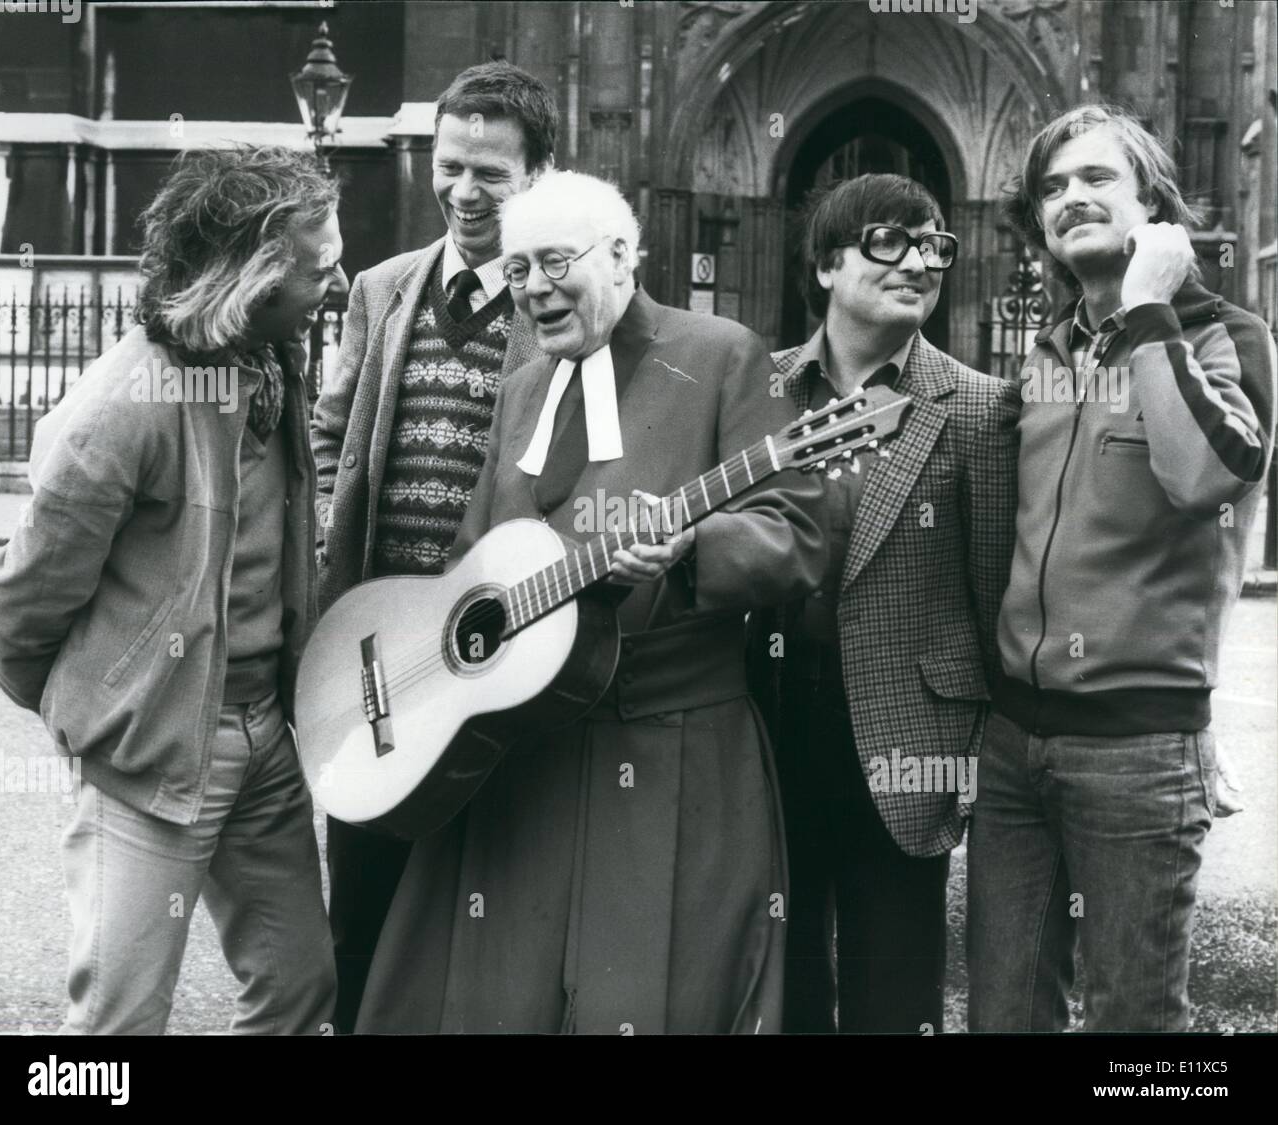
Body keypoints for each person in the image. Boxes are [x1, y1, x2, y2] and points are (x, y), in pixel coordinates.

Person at [354, 170, 829, 1034]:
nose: (533, 286)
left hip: (674, 750)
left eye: (553, 262)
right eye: (518, 268)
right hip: (523, 752)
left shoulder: (722, 355)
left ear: (620, 256)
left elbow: (795, 532)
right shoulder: (523, 387)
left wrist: (696, 548)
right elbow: (470, 559)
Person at [0, 146, 345, 1034]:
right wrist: (110, 717)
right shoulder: (121, 406)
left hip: (266, 743)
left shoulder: (273, 355)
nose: (338, 287)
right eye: (321, 270)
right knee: (117, 1022)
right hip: (151, 762)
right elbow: (20, 611)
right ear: (253, 276)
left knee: (301, 992)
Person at [968, 105, 1276, 1031]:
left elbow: (1205, 475)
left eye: (1098, 179)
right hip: (1016, 746)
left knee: (1137, 1031)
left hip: (1139, 751)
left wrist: (1148, 311)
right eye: (1052, 189)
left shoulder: (1229, 334)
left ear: (1155, 205)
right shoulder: (1047, 354)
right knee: (1004, 1015)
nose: (1070, 199)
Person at [310, 60, 556, 1032]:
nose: (462, 190)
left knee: (481, 912)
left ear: (537, 175)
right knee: (360, 915)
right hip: (372, 658)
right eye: (449, 165)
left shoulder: (562, 306)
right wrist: (331, 536)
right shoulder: (381, 290)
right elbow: (329, 437)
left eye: (489, 173)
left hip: (491, 660)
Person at [748, 174, 1018, 1033]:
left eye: (936, 245)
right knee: (779, 985)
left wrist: (970, 765)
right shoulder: (760, 388)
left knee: (894, 998)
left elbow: (994, 599)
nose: (921, 262)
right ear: (828, 264)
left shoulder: (978, 407)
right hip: (771, 720)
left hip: (911, 743)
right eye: (890, 241)